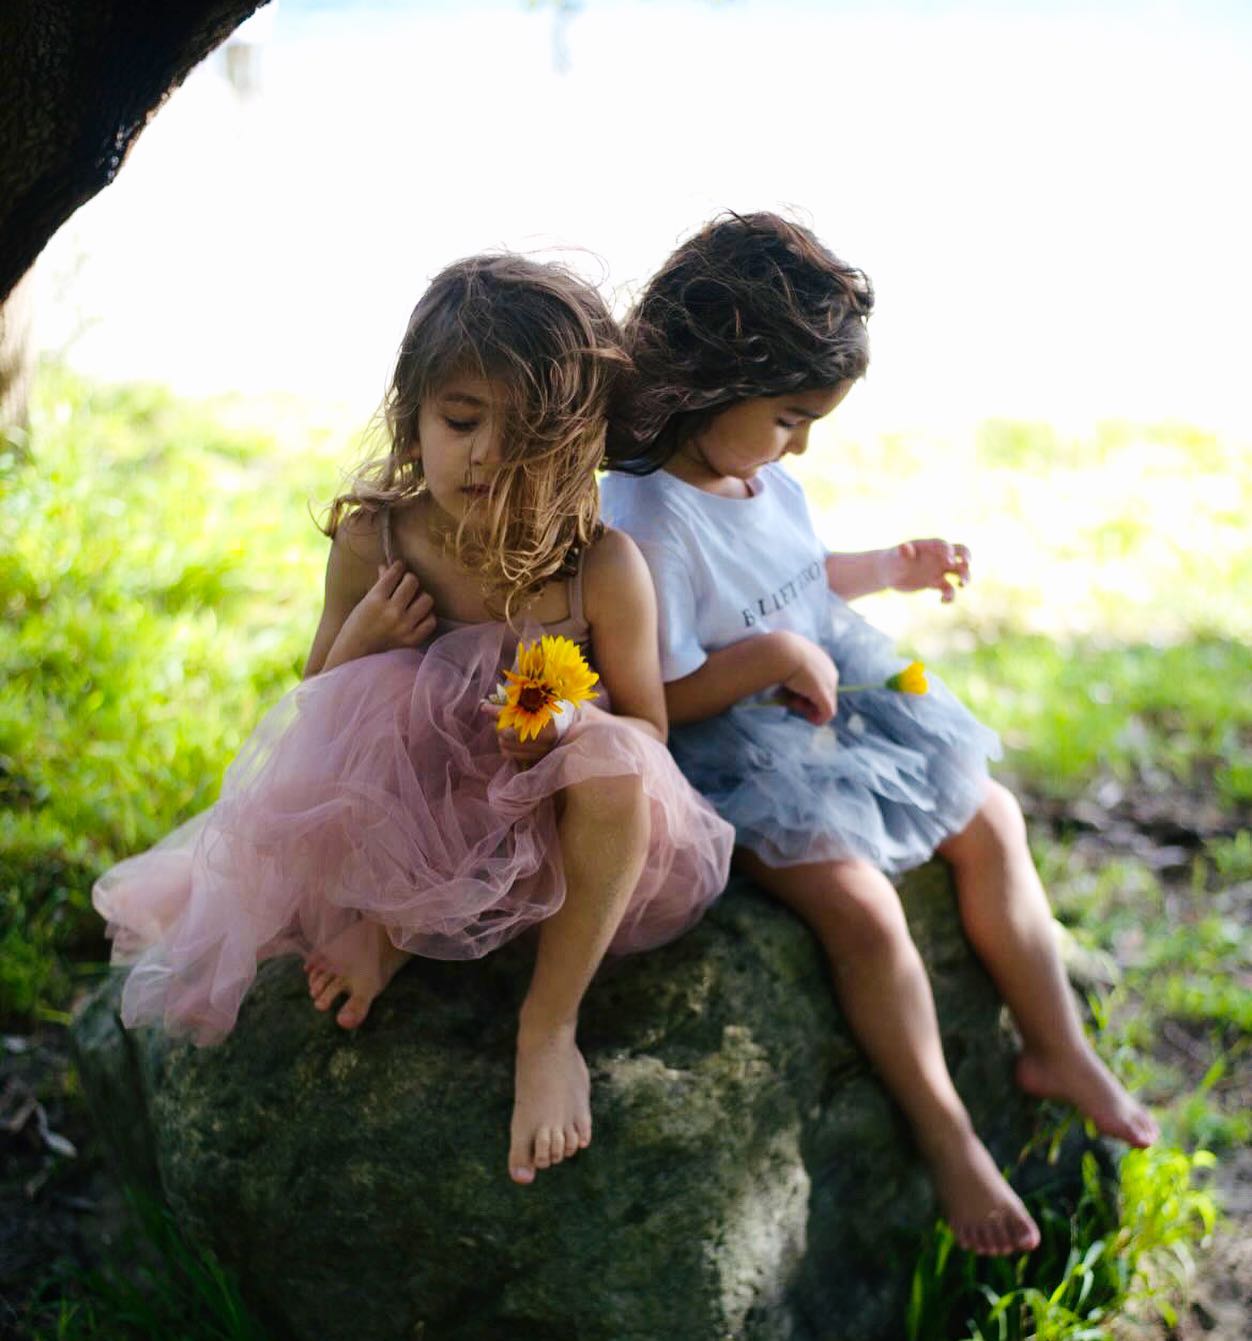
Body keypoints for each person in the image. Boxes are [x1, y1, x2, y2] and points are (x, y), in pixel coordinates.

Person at [93, 254, 734, 1186]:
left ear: (578, 446)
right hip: (415, 821)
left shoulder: (600, 569)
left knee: (610, 766)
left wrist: (566, 725)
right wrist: (364, 635)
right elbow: (315, 707)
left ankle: (548, 1025)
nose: (485, 456)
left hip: (543, 830)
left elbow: (648, 733)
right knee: (388, 695)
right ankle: (390, 932)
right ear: (413, 416)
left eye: (526, 437)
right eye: (461, 421)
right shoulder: (378, 540)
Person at [600, 213, 1158, 1256]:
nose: (802, 443)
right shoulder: (645, 523)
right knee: (861, 907)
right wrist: (771, 659)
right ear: (711, 381)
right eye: (790, 417)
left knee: (990, 815)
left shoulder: (757, 471)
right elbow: (655, 700)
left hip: (828, 698)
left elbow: (794, 576)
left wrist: (887, 569)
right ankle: (947, 1134)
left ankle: (1057, 1046)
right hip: (735, 751)